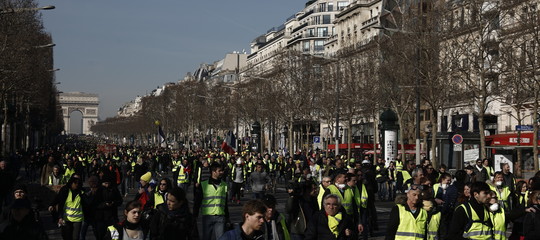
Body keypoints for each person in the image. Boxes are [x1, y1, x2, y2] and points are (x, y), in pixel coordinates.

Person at [195, 162, 230, 240]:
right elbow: (197, 201)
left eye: (222, 170)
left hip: (220, 216)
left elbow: (225, 203)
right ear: (213, 172)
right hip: (207, 217)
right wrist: (195, 215)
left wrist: (227, 217)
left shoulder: (224, 185)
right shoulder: (203, 185)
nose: (222, 172)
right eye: (219, 171)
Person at [49, 175, 85, 240]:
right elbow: (59, 199)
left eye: (78, 183)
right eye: (75, 183)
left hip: (77, 219)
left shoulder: (81, 192)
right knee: (66, 236)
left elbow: (86, 204)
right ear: (71, 182)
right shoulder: (65, 190)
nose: (77, 185)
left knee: (75, 238)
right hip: (66, 219)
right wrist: (52, 205)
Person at [95, 175, 123, 240]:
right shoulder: (99, 190)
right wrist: (105, 204)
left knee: (114, 236)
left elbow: (120, 201)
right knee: (101, 235)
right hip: (101, 217)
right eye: (105, 183)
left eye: (108, 183)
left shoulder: (114, 189)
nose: (107, 185)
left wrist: (113, 203)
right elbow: (95, 204)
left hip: (112, 216)